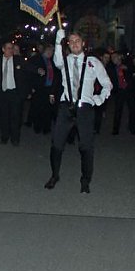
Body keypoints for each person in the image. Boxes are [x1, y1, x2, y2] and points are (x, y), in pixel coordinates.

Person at [45, 28, 112, 193]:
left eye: (77, 41)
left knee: (86, 147)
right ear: (68, 44)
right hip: (65, 108)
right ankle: (54, 175)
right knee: (57, 144)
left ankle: (85, 180)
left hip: (85, 110)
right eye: (71, 41)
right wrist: (59, 37)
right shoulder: (64, 61)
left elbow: (107, 84)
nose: (74, 44)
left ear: (83, 43)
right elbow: (57, 60)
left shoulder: (93, 62)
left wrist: (98, 99)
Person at [0, 41, 35, 145]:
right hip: (3, 93)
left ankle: (15, 138)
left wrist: (38, 70)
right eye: (8, 48)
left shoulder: (19, 60)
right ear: (3, 49)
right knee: (4, 116)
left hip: (15, 93)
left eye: (12, 48)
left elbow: (27, 72)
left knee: (15, 116)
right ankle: (4, 137)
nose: (11, 50)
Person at [29, 44, 59, 134]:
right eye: (49, 50)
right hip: (39, 87)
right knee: (38, 107)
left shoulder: (53, 61)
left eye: (52, 51)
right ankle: (37, 126)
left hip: (49, 88)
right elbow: (30, 71)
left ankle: (46, 127)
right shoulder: (37, 59)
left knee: (48, 109)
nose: (50, 52)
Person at [109, 52, 133, 135]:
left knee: (132, 109)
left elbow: (133, 74)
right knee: (118, 110)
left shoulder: (127, 65)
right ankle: (115, 129)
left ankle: (132, 127)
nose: (113, 59)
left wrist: (127, 69)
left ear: (119, 57)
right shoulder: (112, 68)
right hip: (119, 90)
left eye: (114, 57)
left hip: (128, 89)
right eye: (112, 58)